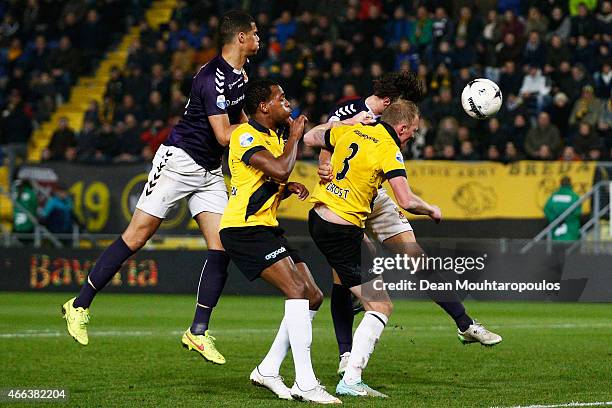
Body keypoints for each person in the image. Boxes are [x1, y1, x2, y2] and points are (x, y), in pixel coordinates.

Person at [61, 11, 260, 366]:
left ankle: (197, 332)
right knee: (137, 237)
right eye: (255, 33)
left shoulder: (241, 75)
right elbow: (224, 134)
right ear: (240, 38)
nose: (260, 38)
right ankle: (78, 305)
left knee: (222, 244)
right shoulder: (212, 77)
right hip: (180, 161)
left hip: (210, 170)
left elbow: (241, 119)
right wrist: (260, 142)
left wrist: (264, 134)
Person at [320, 73, 502, 378]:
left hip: (375, 195)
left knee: (416, 256)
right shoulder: (349, 113)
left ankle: (465, 323)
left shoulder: (392, 124)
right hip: (345, 197)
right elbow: (324, 139)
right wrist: (325, 163)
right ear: (390, 102)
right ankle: (346, 353)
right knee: (344, 276)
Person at [219, 79, 340, 404]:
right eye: (281, 98)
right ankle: (305, 382)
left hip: (266, 228)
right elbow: (278, 168)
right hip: (243, 229)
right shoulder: (245, 135)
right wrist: (296, 138)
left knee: (313, 296)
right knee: (297, 292)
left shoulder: (272, 137)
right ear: (263, 106)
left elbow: (263, 180)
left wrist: (287, 188)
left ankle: (269, 369)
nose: (287, 103)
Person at [305, 100, 433, 397]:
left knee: (367, 262)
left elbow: (311, 137)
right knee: (381, 305)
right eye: (412, 131)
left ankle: (338, 357)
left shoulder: (352, 132)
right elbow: (406, 200)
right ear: (401, 127)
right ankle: (350, 378)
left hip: (320, 217)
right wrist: (432, 209)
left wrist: (341, 128)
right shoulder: (389, 149)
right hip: (340, 230)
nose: (412, 136)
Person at [544, 176, 581, 241]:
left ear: (560, 184)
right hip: (570, 231)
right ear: (570, 183)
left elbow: (547, 209)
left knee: (557, 248)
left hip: (556, 229)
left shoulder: (554, 196)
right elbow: (577, 212)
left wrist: (555, 219)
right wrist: (566, 219)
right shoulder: (574, 196)